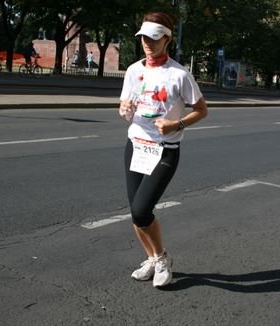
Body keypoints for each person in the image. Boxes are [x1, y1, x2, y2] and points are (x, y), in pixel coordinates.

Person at [119, 12, 208, 288]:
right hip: (135, 146)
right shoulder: (134, 70)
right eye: (144, 37)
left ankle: (162, 258)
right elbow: (125, 104)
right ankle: (154, 258)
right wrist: (124, 109)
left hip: (164, 150)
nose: (148, 43)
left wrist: (176, 123)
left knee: (142, 210)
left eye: (154, 38)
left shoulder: (179, 75)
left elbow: (202, 111)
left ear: (167, 39)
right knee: (136, 211)